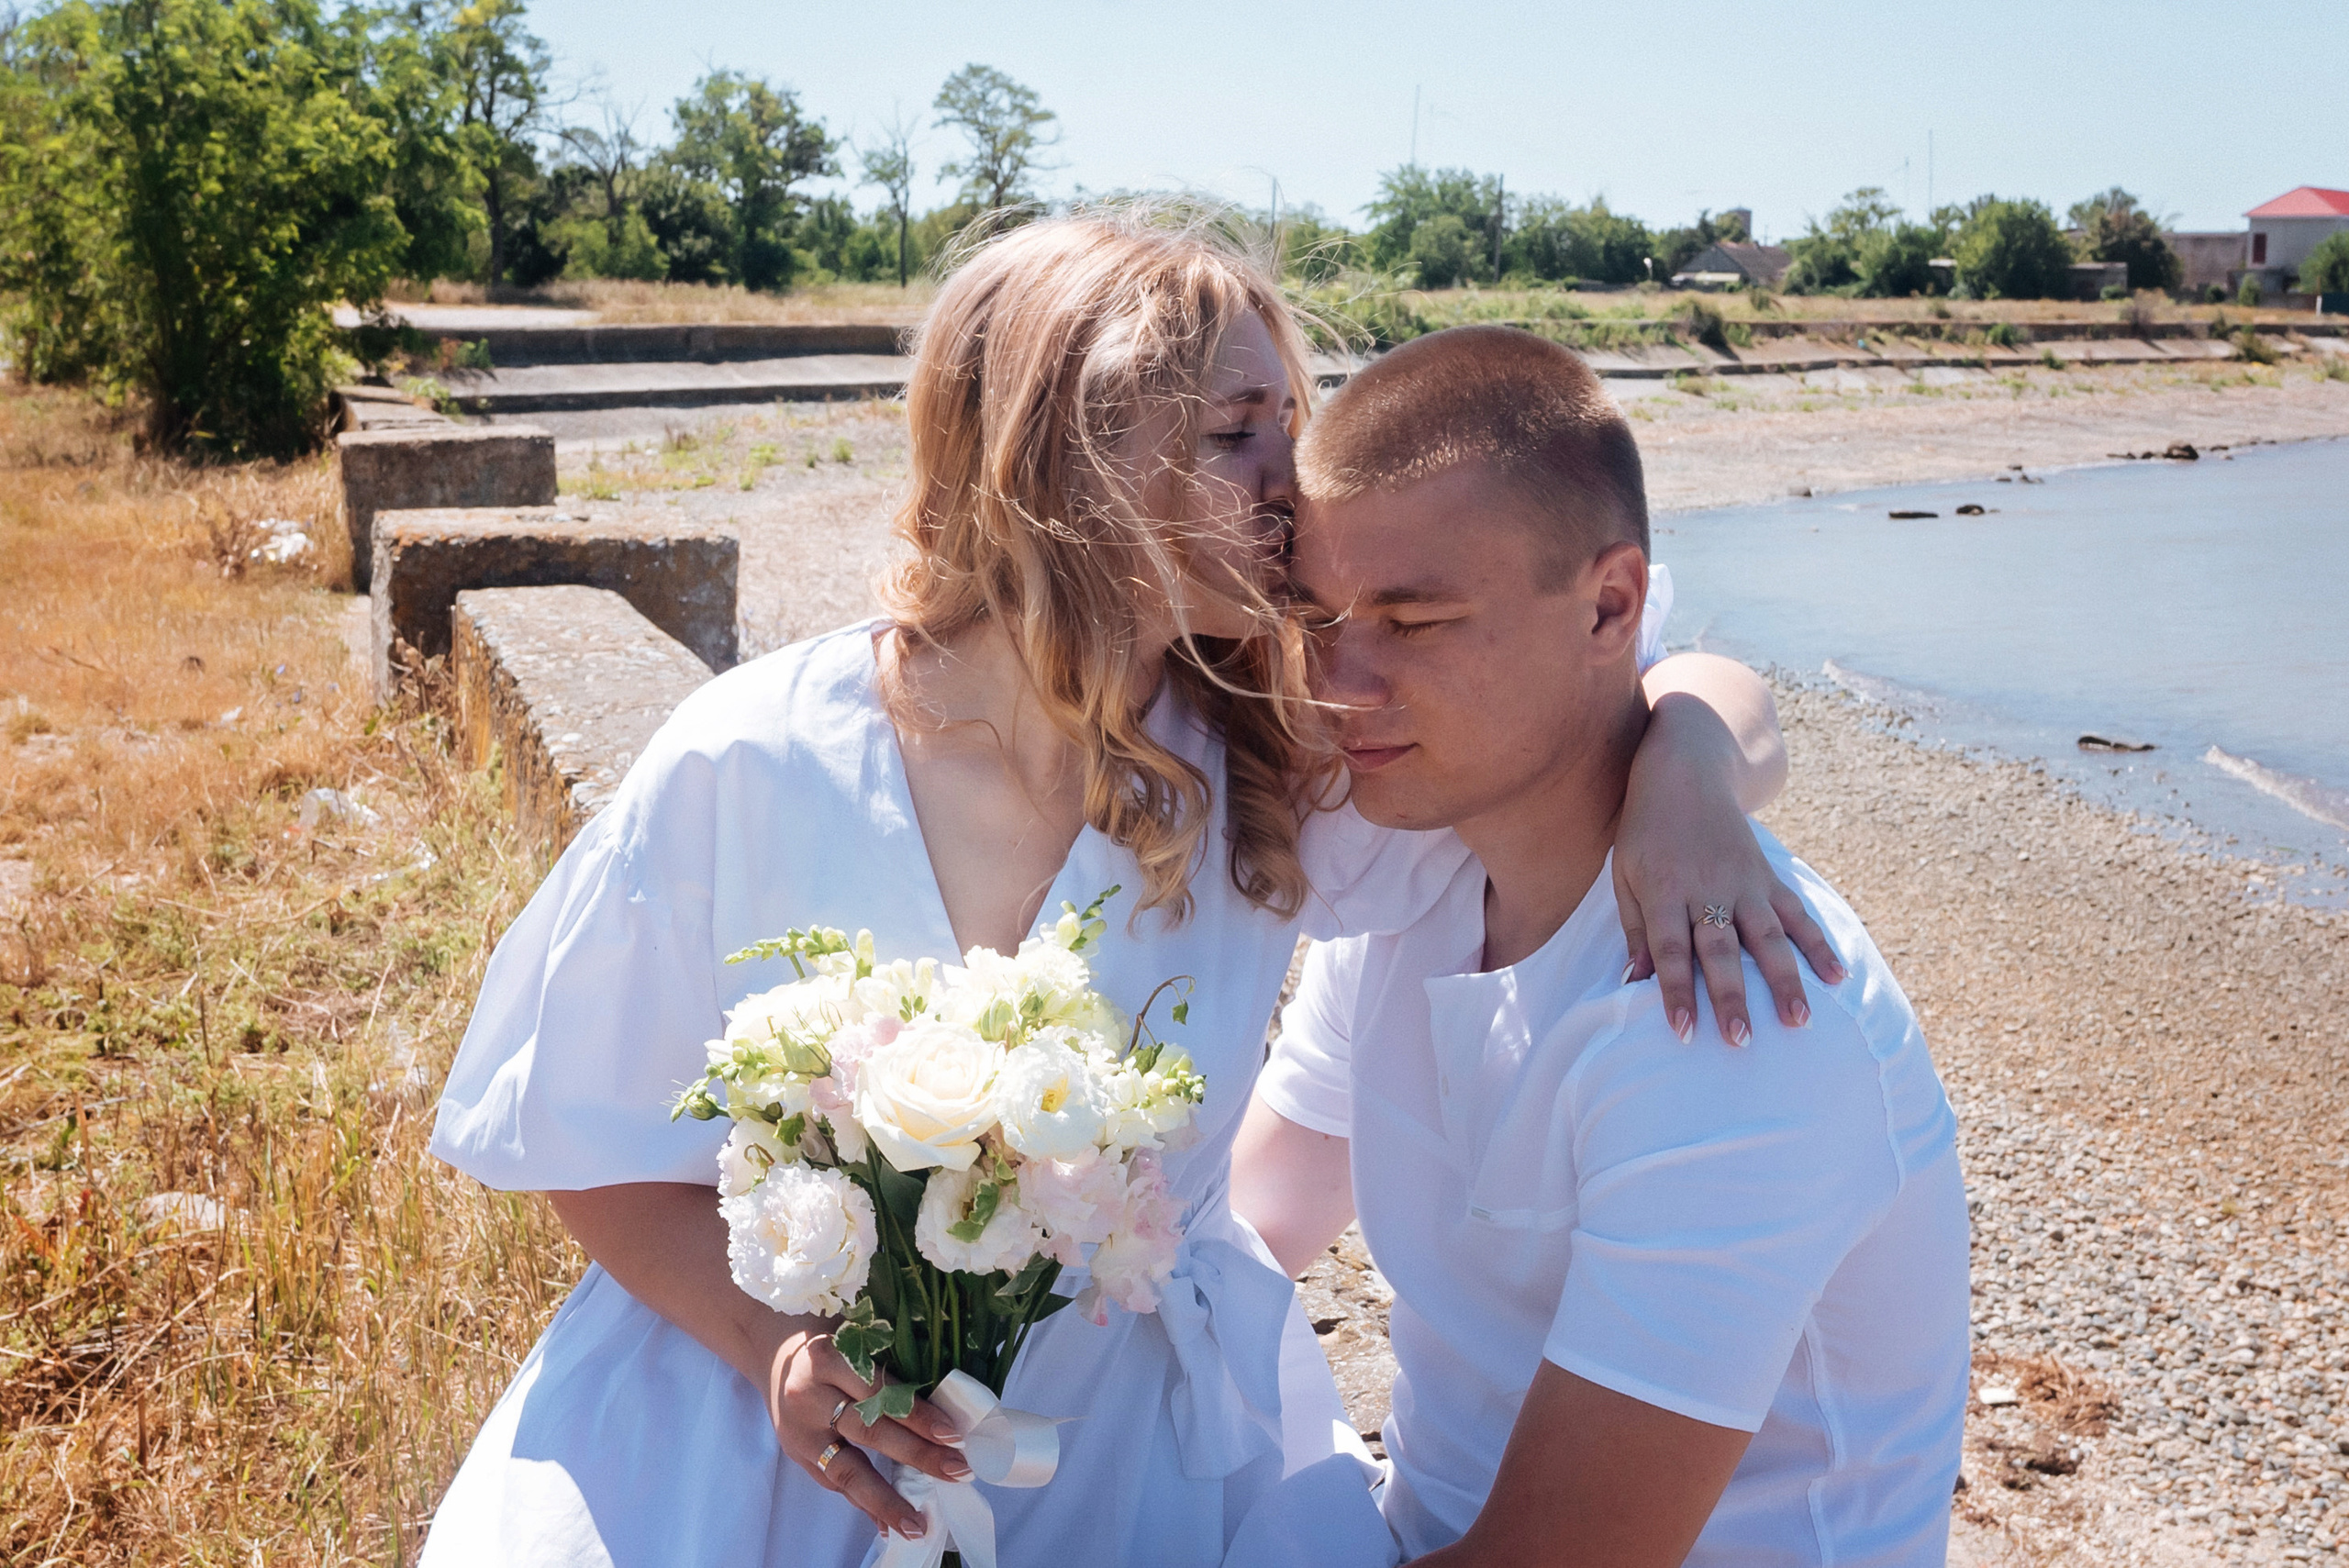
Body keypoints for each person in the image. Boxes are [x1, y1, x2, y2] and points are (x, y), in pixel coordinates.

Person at [419, 213, 1837, 1568]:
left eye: (1294, 412)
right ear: (1065, 462)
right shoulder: (751, 757)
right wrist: (780, 1349)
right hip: (758, 1448)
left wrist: (1691, 772)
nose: (1300, 474)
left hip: (1135, 1455)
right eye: (1238, 432)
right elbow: (591, 1143)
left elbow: (1633, 682)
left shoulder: (1277, 757)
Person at [1231, 326, 1973, 1567]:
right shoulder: (1413, 882)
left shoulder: (1737, 1009)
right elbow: (1256, 1225)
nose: (1339, 685)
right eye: (1321, 621)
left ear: (1611, 604)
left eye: (1412, 623)